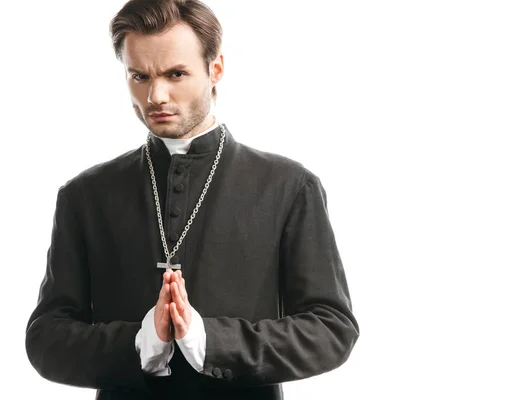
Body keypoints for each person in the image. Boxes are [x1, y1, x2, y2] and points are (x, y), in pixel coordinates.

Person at [25, 0, 359, 399]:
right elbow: (46, 339)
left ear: (215, 69)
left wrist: (210, 342)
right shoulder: (85, 195)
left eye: (175, 74)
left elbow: (332, 328)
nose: (156, 95)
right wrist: (144, 341)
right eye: (139, 75)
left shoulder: (288, 186)